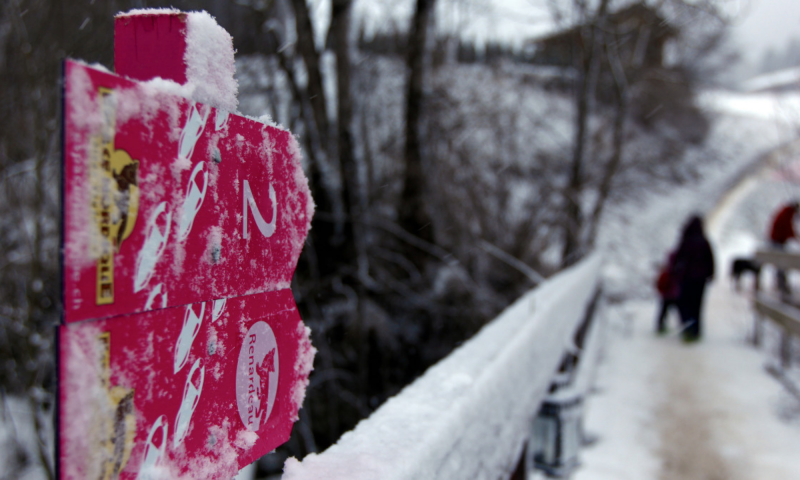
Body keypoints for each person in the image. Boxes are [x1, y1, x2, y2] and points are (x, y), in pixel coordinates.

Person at [671, 215, 715, 342]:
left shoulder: (685, 240)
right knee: (698, 305)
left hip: (686, 278)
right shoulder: (704, 241)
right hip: (701, 280)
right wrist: (711, 274)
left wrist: (674, 273)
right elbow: (711, 260)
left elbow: (677, 258)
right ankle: (697, 331)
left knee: (685, 304)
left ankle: (687, 329)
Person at [768, 201, 799, 294]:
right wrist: (796, 237)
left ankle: (780, 282)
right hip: (777, 240)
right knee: (781, 262)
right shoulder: (787, 213)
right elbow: (788, 228)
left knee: (780, 262)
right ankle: (781, 284)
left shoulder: (786, 212)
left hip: (778, 240)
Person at [655, 252, 679, 334]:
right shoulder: (679, 272)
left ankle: (660, 326)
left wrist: (662, 292)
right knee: (680, 311)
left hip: (667, 296)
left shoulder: (665, 272)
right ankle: (684, 325)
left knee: (663, 312)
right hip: (674, 296)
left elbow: (658, 284)